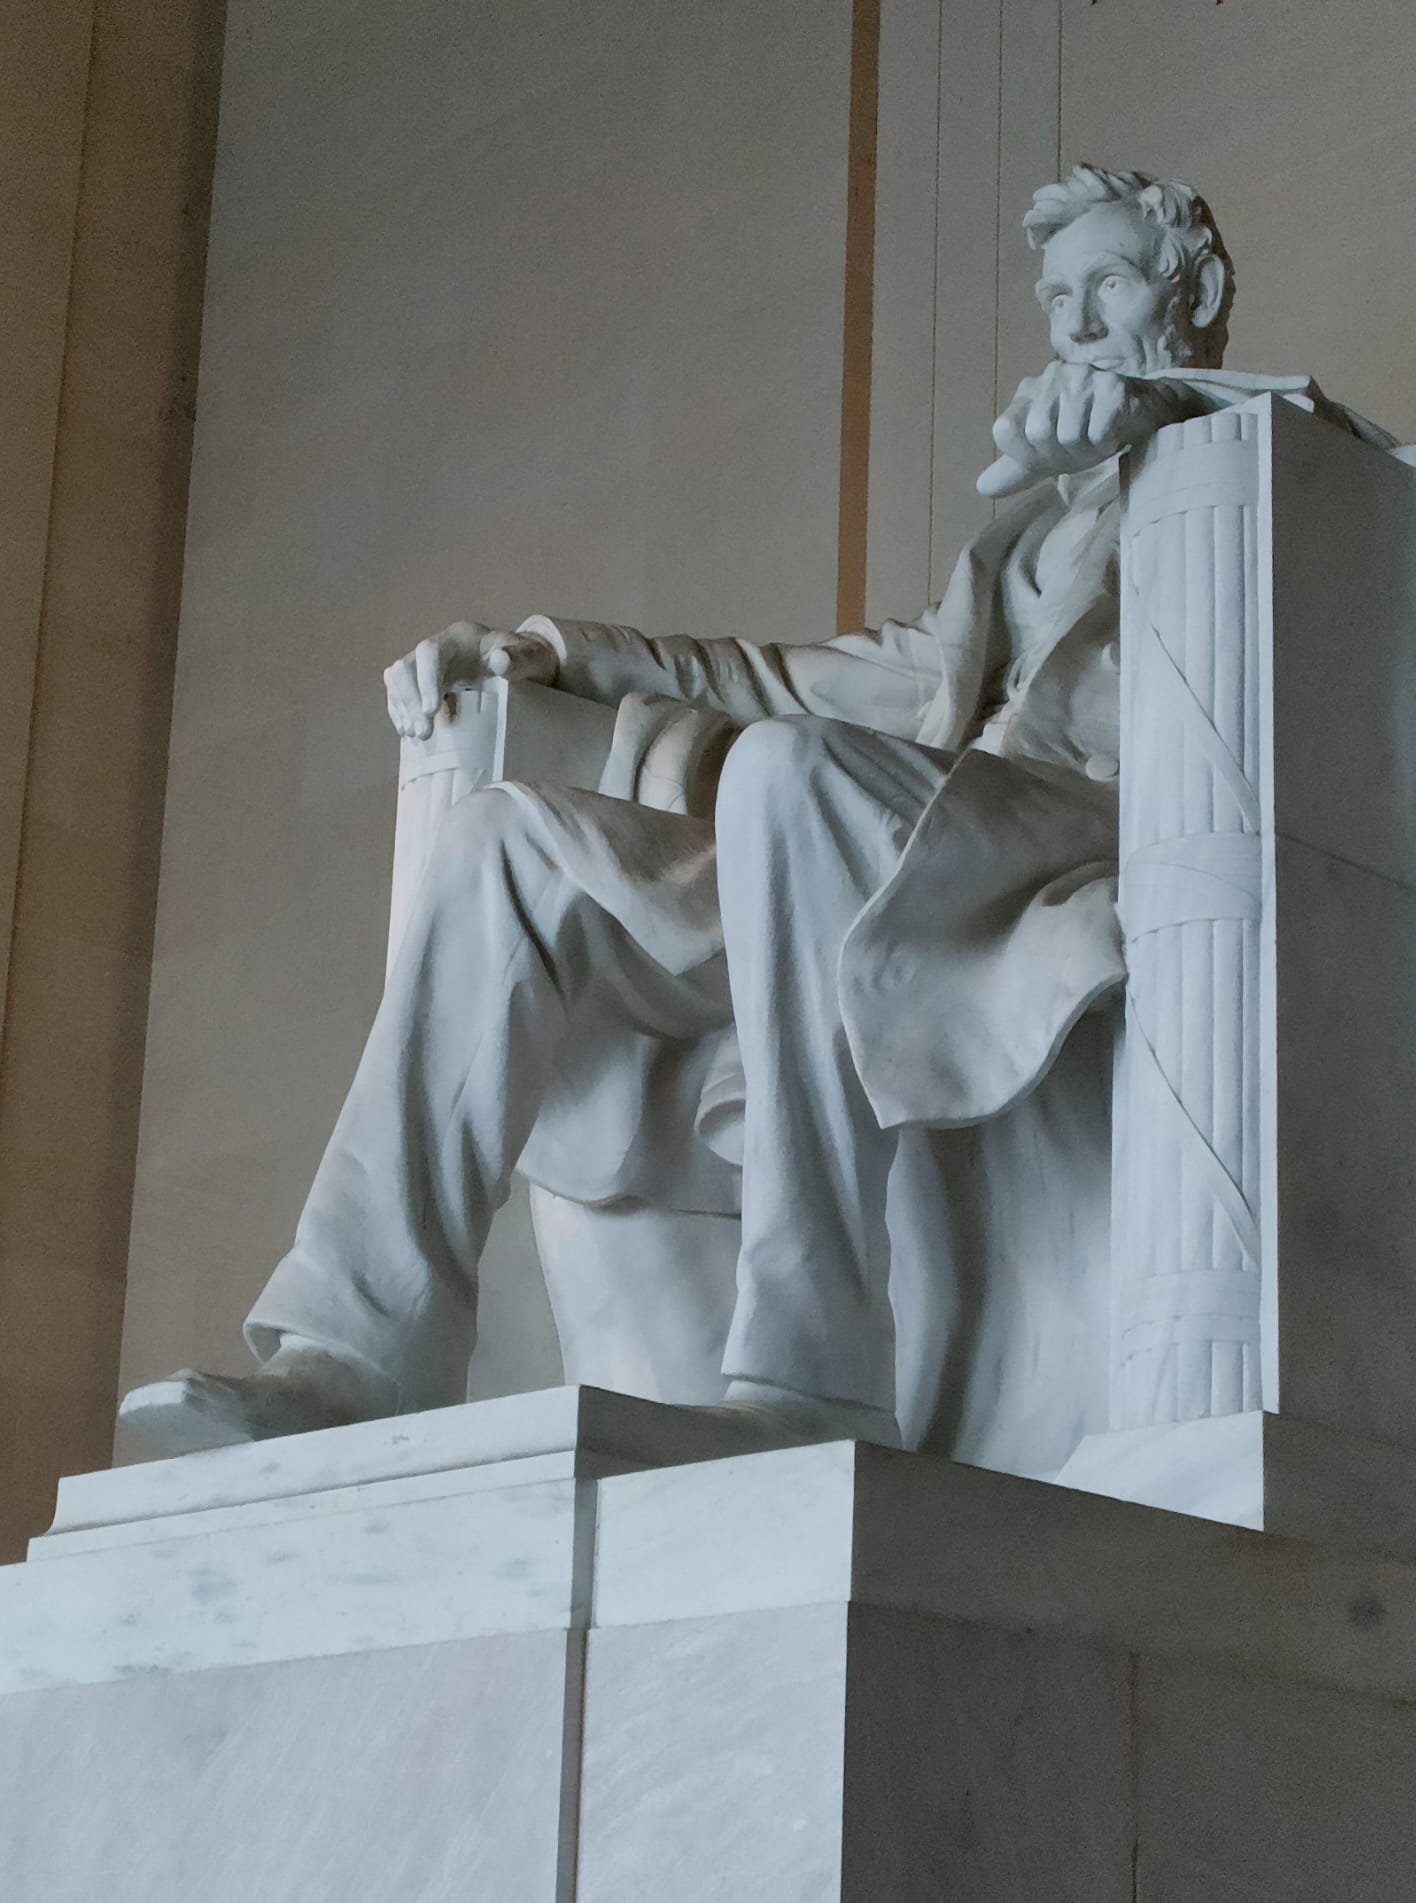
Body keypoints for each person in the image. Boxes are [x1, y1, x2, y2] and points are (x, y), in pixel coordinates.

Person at [120, 165, 1246, 1456]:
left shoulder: (1277, 465)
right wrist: (556, 650)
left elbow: (1317, 536)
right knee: (506, 840)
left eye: (1111, 283)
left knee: (781, 773)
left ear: (1198, 288)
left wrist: (1176, 423)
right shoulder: (1014, 548)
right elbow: (793, 679)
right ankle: (360, 1350)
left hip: (1090, 833)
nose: (1078, 324)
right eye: (1056, 297)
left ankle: (813, 1369)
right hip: (892, 843)